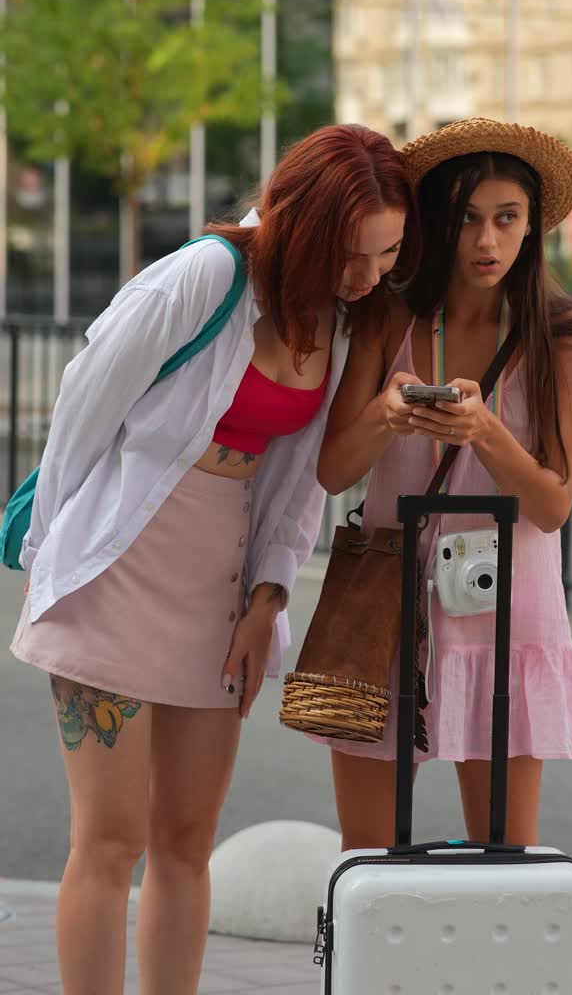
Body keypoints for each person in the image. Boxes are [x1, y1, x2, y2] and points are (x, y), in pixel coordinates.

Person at [10, 123, 419, 995]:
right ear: (301, 220)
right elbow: (87, 400)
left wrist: (269, 596)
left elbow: (300, 478)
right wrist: (53, 558)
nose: (368, 276)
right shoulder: (209, 275)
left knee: (187, 841)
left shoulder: (338, 322)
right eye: (353, 253)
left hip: (219, 593)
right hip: (116, 569)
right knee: (111, 840)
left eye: (386, 255)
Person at [316, 117, 572, 851]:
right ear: (438, 221)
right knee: (371, 865)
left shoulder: (564, 335)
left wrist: (484, 430)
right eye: (468, 218)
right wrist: (387, 415)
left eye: (507, 219)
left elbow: (551, 504)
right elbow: (333, 470)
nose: (487, 242)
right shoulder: (391, 317)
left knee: (504, 862)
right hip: (388, 606)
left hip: (506, 611)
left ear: (532, 226)